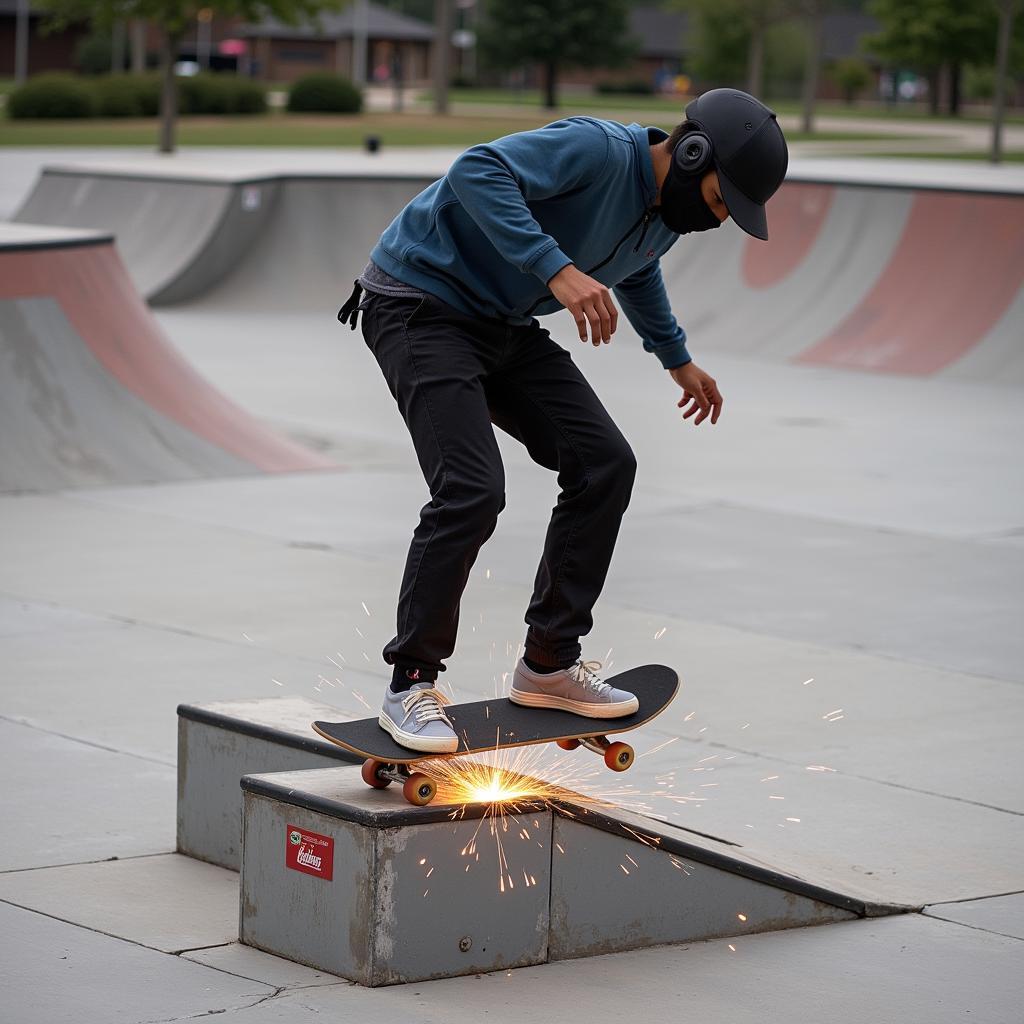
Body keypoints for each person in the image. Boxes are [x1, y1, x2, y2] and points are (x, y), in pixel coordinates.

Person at [338, 88, 788, 753]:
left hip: (500, 324)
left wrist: (676, 359)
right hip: (418, 304)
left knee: (605, 461)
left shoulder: (666, 213)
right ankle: (410, 684)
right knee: (472, 488)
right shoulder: (597, 150)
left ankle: (548, 665)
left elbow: (639, 270)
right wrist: (557, 269)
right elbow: (476, 171)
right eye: (722, 201)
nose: (718, 219)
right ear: (693, 155)